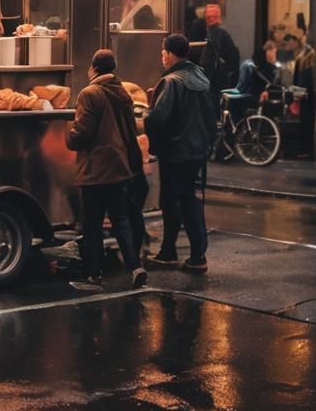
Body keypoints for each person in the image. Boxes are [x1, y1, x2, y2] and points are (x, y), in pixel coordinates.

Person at [65, 48, 148, 292]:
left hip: (96, 168)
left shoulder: (90, 93)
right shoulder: (122, 93)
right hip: (119, 166)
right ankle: (135, 266)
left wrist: (69, 136)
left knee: (93, 223)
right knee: (120, 219)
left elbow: (83, 132)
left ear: (94, 68)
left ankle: (93, 275)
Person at [144, 33, 216, 271]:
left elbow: (158, 119)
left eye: (163, 52)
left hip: (175, 151)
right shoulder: (200, 77)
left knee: (171, 200)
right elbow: (210, 117)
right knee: (189, 198)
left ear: (170, 53)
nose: (161, 57)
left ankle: (169, 252)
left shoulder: (172, 82)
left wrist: (146, 114)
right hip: (197, 150)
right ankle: (197, 254)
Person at [200, 4, 240, 102]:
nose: (209, 19)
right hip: (226, 76)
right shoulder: (220, 33)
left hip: (219, 78)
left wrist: (206, 77)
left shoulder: (215, 33)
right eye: (208, 17)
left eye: (211, 17)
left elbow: (213, 57)